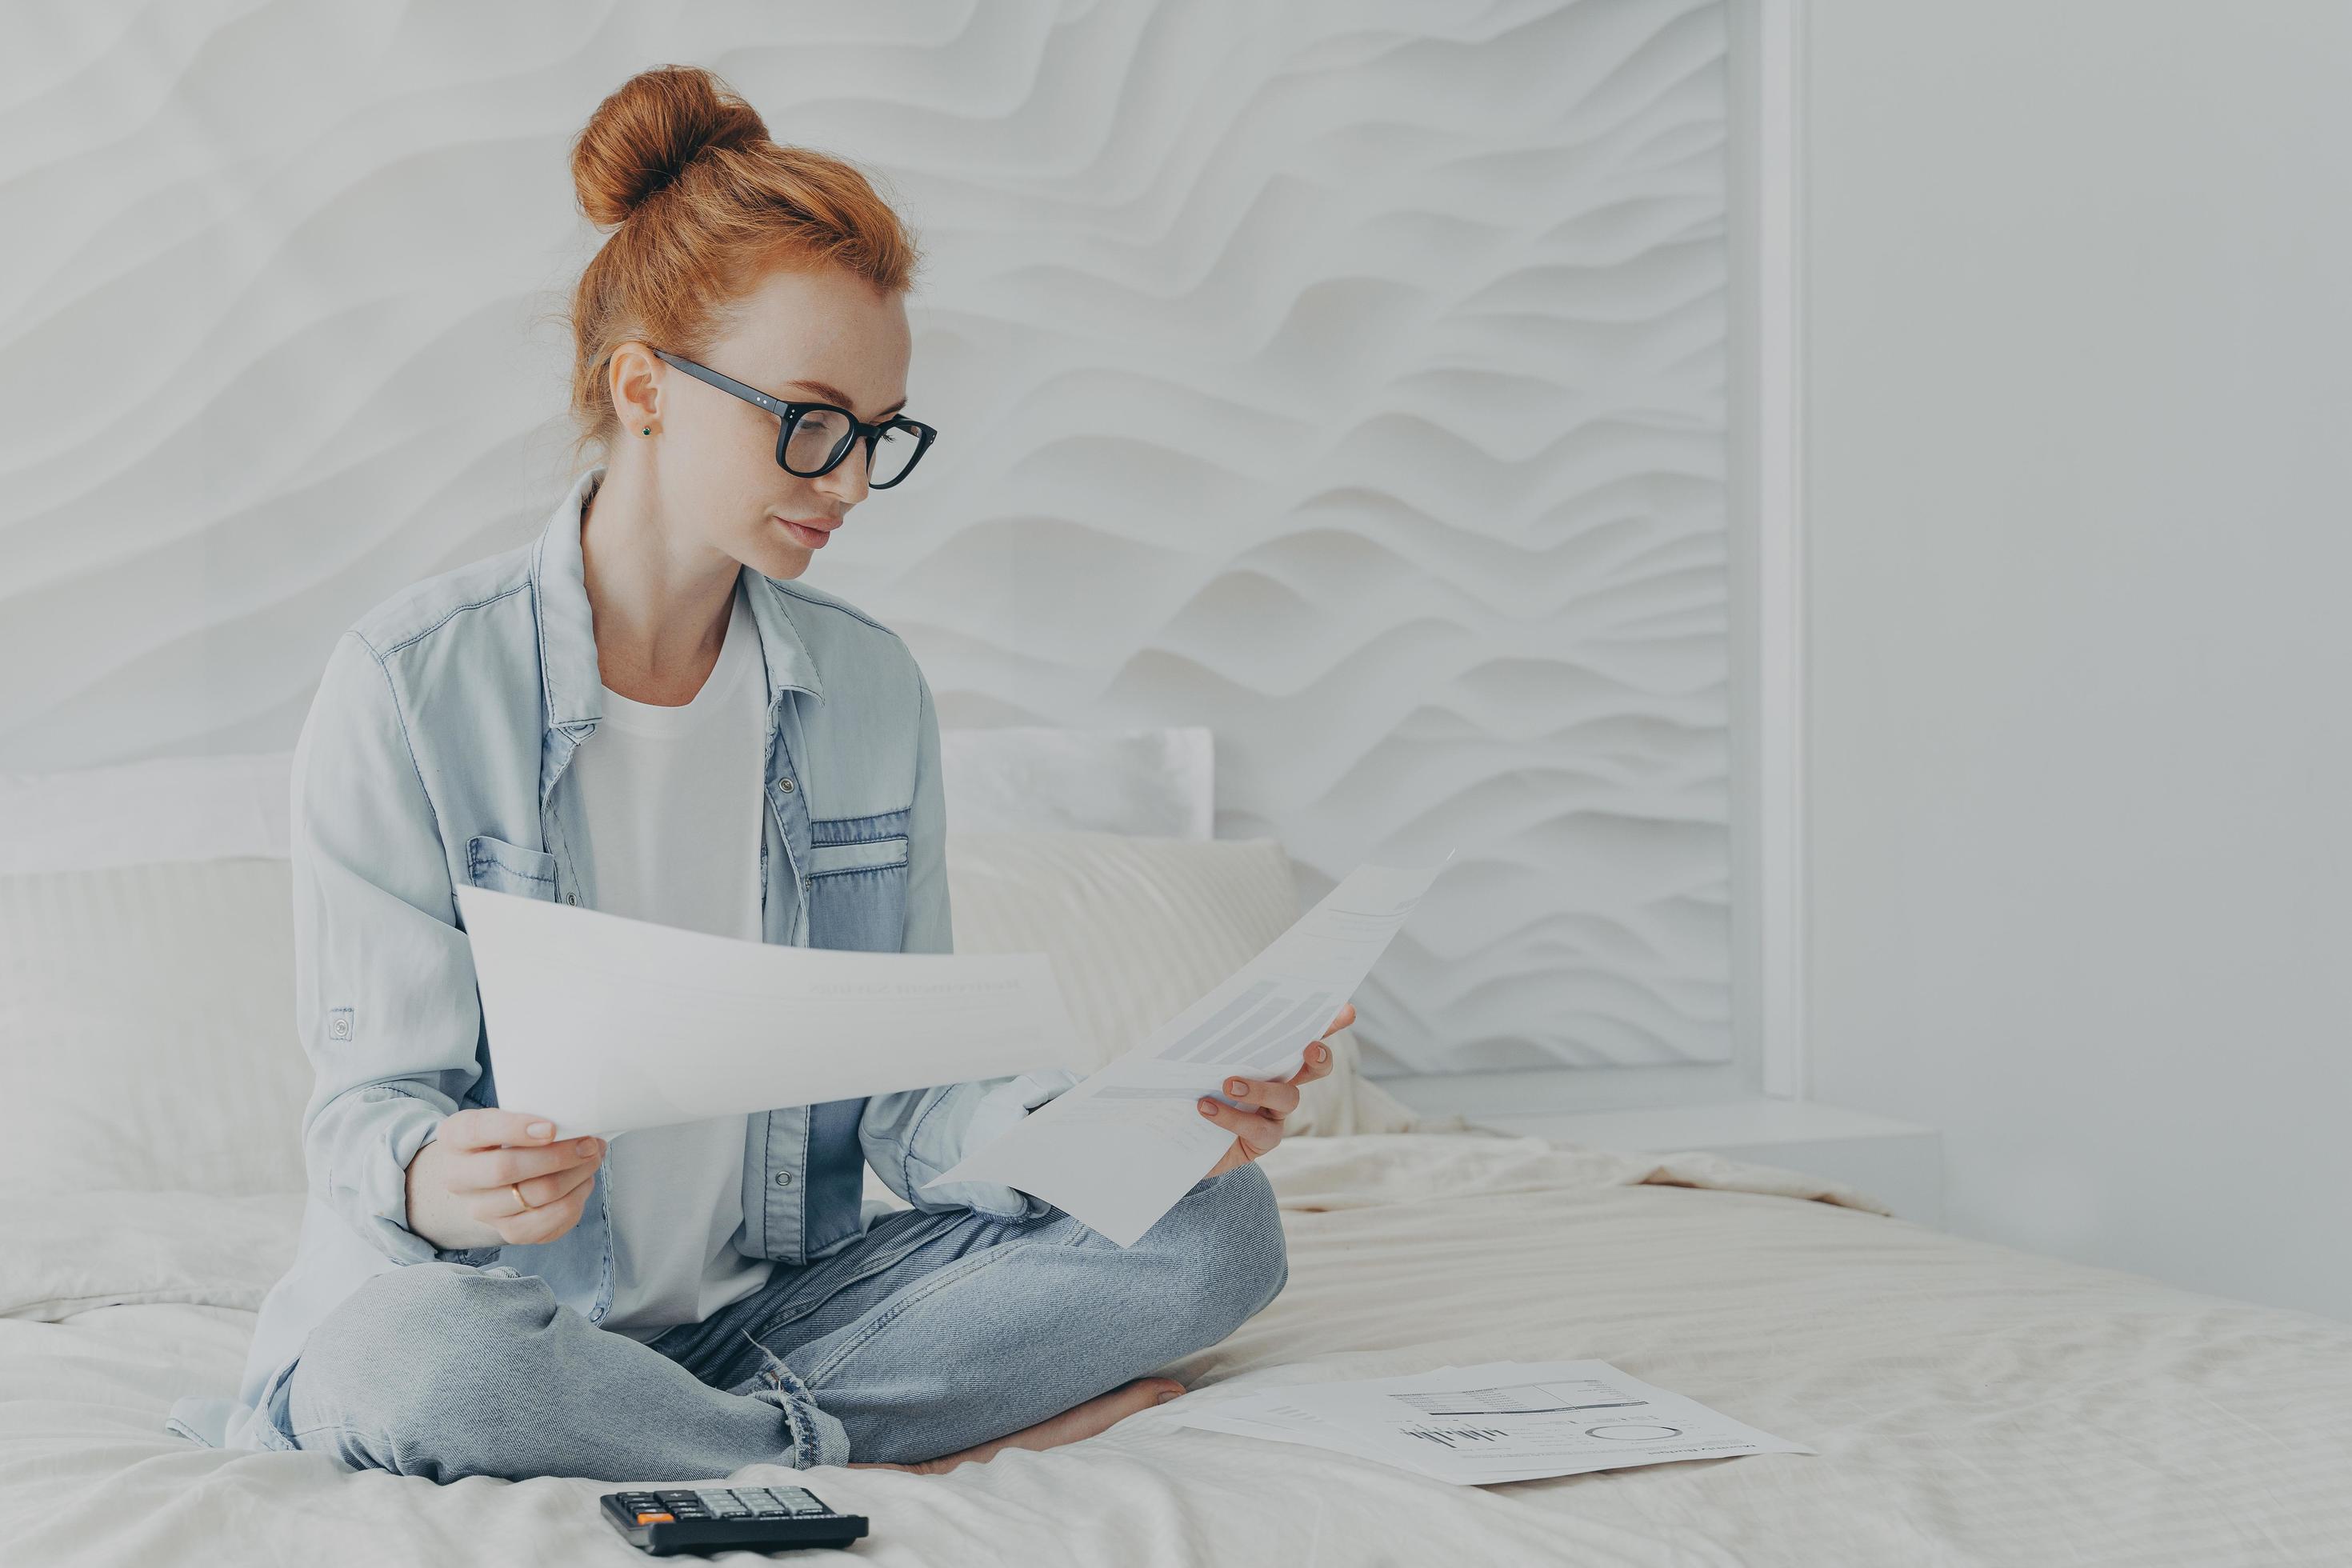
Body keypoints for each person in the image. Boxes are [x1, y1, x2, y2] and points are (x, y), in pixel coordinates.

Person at [161, 63, 1354, 1482]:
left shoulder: (866, 690)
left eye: (877, 435)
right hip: (508, 1319)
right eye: (810, 420)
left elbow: (917, 1106)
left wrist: (1124, 1135)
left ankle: (733, 1441)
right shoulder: (413, 687)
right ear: (645, 386)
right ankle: (874, 1453)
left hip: (784, 1320)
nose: (848, 482)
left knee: (1212, 1235)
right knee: (411, 1365)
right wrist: (442, 1178)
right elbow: (372, 1116)